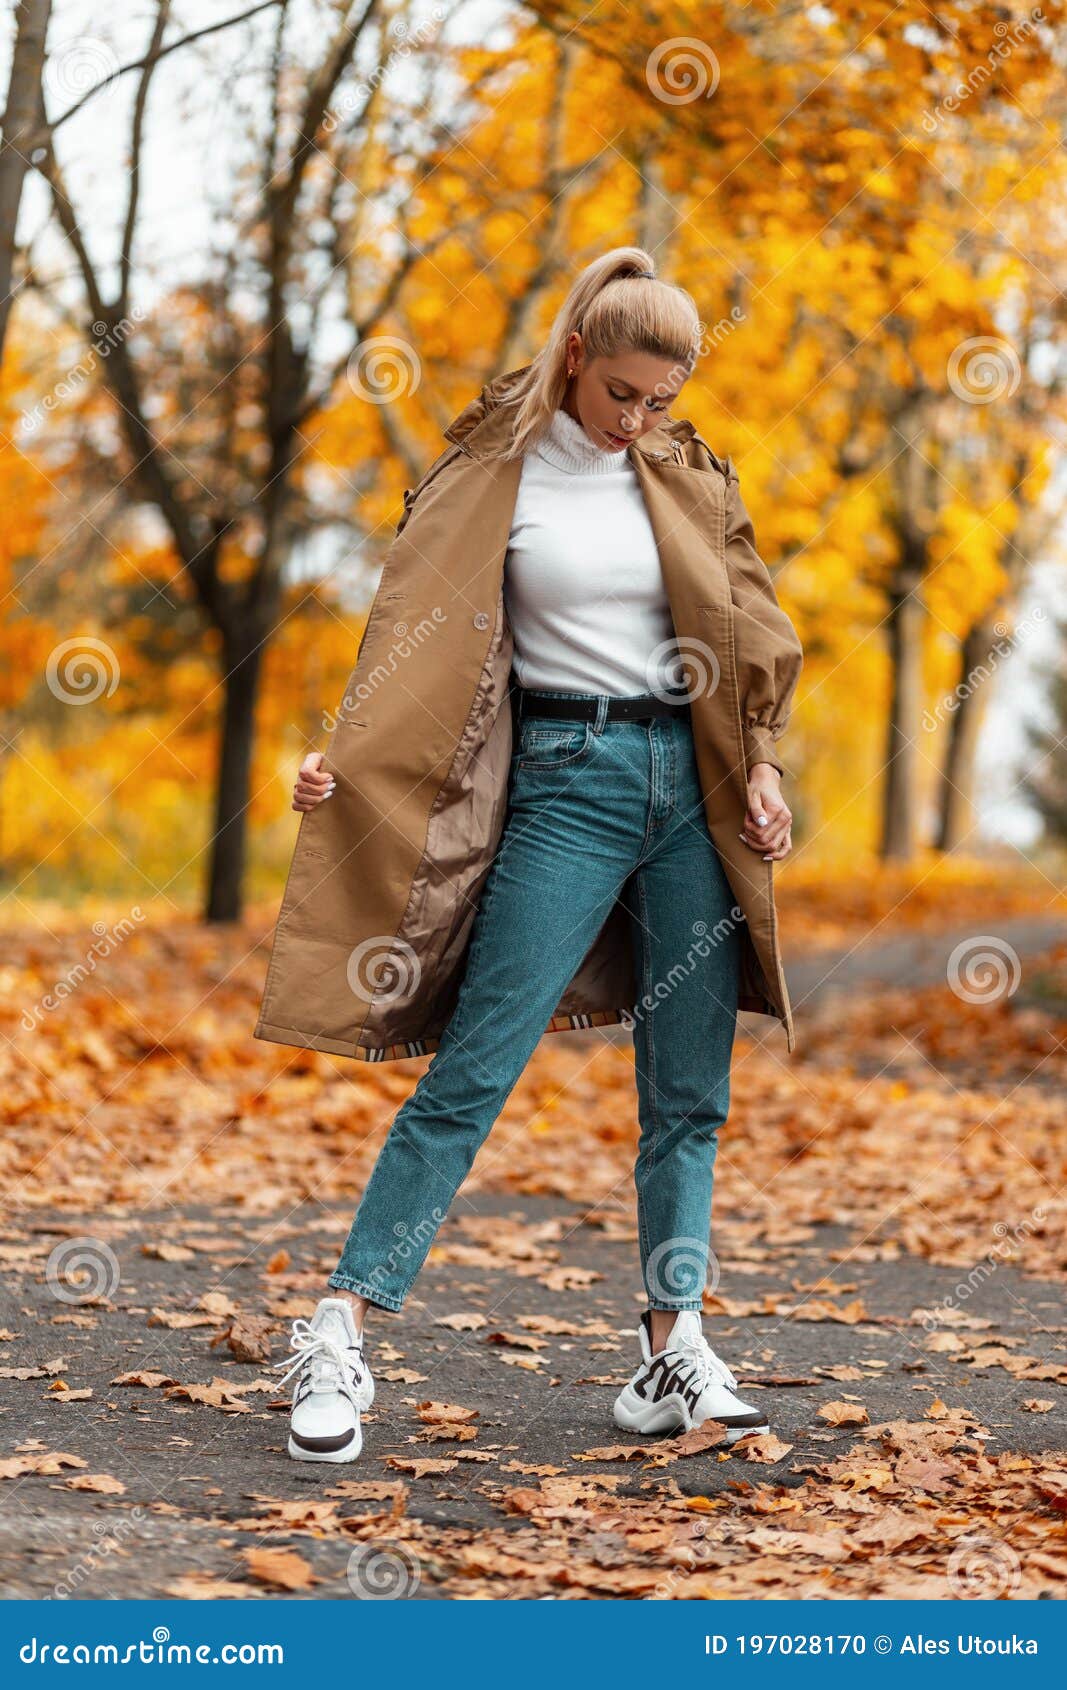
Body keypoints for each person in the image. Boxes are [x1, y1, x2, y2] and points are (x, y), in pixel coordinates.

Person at [270, 249, 801, 1464]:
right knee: (471, 1072)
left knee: (688, 1097)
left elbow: (751, 628)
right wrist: (338, 762)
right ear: (575, 356)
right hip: (566, 782)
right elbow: (410, 641)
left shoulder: (688, 474)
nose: (640, 422)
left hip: (693, 795)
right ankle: (339, 1330)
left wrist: (761, 766)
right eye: (622, 394)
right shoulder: (487, 475)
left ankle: (672, 1341)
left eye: (661, 400)